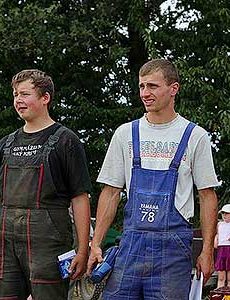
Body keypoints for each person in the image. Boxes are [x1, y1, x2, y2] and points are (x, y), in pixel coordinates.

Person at [86, 59, 219, 300]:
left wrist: (207, 250)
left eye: (153, 86)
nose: (145, 93)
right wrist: (96, 243)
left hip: (173, 249)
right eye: (141, 86)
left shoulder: (195, 136)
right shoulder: (126, 133)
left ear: (173, 89)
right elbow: (111, 192)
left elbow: (207, 196)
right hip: (130, 245)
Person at [0, 69, 92, 300]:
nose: (18, 100)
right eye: (15, 94)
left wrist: (83, 250)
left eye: (25, 94)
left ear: (45, 98)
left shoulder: (66, 140)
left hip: (49, 242)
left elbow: (80, 198)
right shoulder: (5, 144)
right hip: (4, 245)